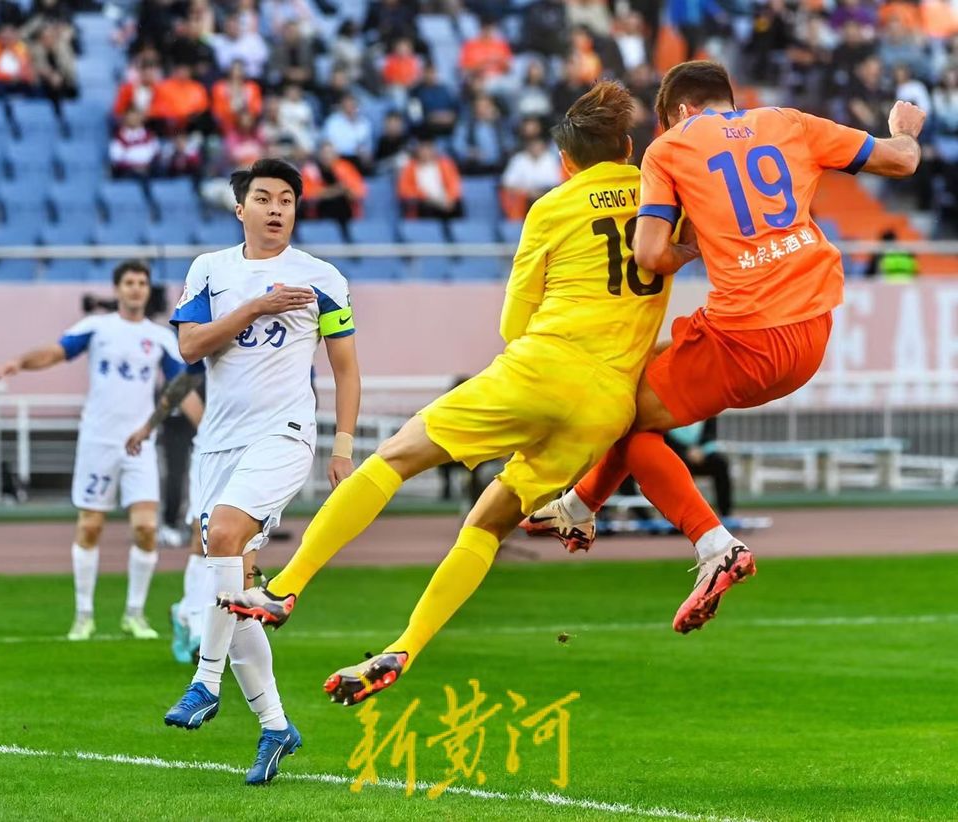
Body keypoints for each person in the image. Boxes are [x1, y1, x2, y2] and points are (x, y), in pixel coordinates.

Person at [220, 82, 676, 706]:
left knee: (395, 458)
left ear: (566, 162)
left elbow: (513, 326)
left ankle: (284, 586)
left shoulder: (552, 208)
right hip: (608, 405)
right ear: (627, 147)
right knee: (488, 523)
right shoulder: (662, 200)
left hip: (542, 368)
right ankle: (406, 646)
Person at [523, 60, 926, 633]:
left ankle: (714, 546)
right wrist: (903, 127)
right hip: (811, 333)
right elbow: (902, 160)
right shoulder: (790, 122)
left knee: (621, 412)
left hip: (746, 333)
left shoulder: (670, 148)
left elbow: (650, 254)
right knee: (641, 382)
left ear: (681, 111)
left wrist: (692, 247)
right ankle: (578, 508)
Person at [161, 158, 360, 784]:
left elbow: (346, 369)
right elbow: (189, 347)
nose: (277, 209)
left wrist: (343, 446)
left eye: (287, 200)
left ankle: (205, 681)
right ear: (239, 208)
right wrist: (256, 307)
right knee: (238, 586)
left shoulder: (322, 277)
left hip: (285, 434)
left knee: (223, 535)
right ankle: (275, 727)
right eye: (265, 198)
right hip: (218, 444)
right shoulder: (210, 270)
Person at [0, 261, 186, 641]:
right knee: (90, 526)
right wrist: (21, 362)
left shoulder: (162, 338)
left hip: (140, 444)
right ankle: (83, 616)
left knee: (146, 528)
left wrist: (206, 423)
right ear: (117, 289)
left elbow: (182, 386)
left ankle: (134, 614)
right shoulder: (97, 328)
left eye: (142, 283)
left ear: (148, 290)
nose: (136, 289)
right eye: (129, 282)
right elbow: (56, 351)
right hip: (98, 441)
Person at [126, 366, 208, 664]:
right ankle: (198, 626)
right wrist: (148, 427)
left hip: (256, 452)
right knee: (204, 536)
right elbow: (182, 384)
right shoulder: (216, 346)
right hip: (211, 452)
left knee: (238, 546)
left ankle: (185, 611)